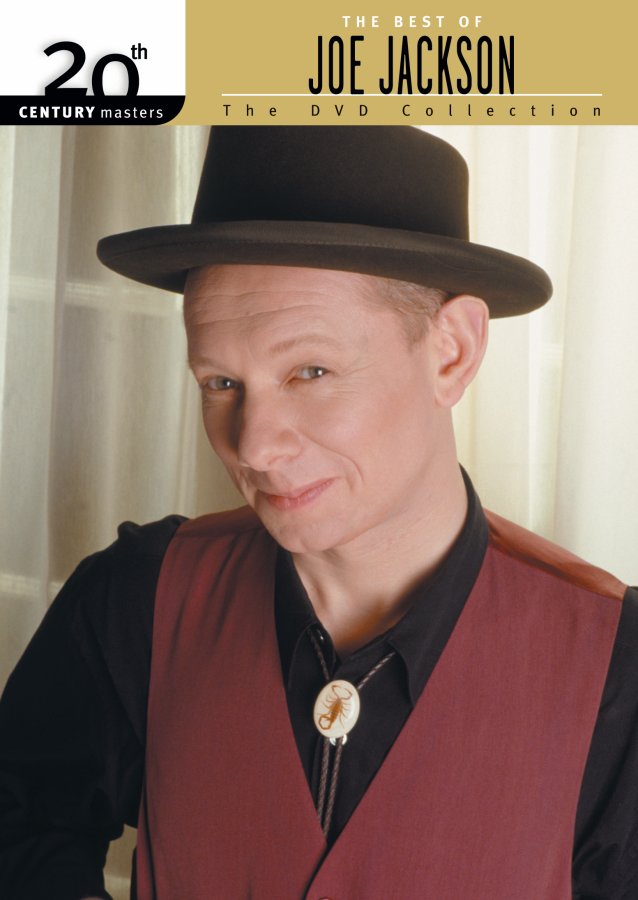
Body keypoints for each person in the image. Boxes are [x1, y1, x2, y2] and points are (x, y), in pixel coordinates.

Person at [0, 126, 636, 900]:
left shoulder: (616, 670)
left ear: (452, 352)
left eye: (310, 371)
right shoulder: (136, 598)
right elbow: (20, 826)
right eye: (220, 383)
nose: (255, 445)